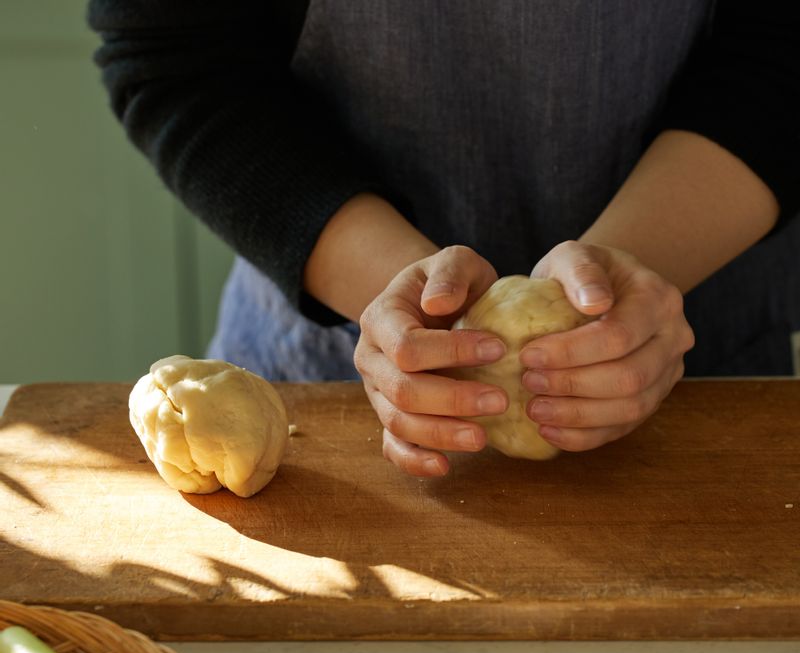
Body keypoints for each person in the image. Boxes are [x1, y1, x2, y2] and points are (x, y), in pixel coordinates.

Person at [88, 1, 800, 477]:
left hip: (704, 365)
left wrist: (634, 281)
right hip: (325, 377)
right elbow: (178, 58)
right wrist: (404, 304)